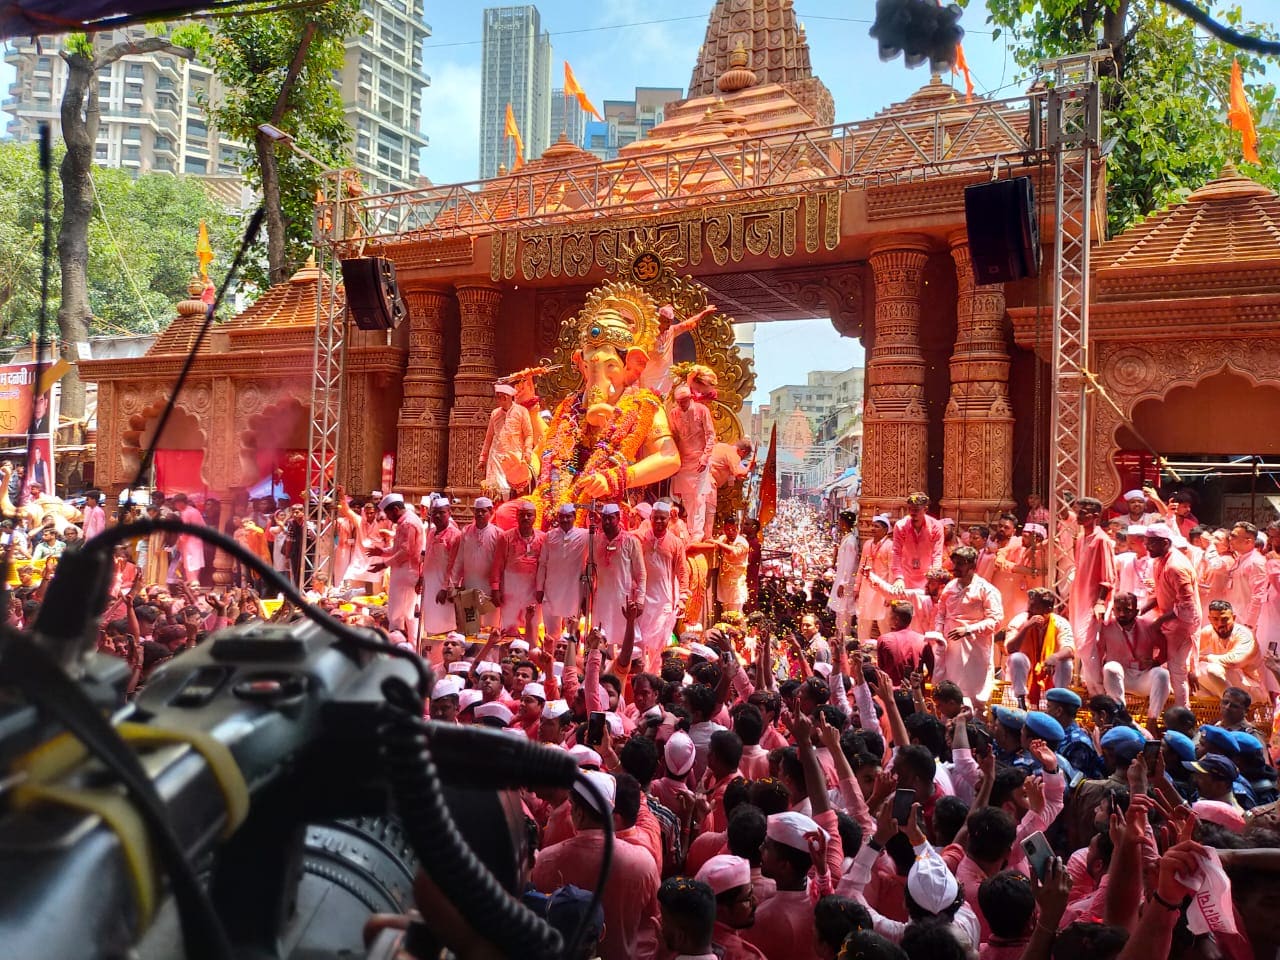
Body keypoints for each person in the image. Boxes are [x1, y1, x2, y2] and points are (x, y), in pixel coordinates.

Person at [532, 771, 659, 960]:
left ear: (579, 814)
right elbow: (653, 920)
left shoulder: (546, 860)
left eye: (572, 806)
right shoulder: (643, 862)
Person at [933, 546, 1002, 708]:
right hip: (951, 648)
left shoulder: (987, 590)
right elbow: (940, 614)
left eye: (960, 564)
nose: (955, 568)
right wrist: (938, 633)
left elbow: (996, 621)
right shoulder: (950, 588)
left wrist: (969, 629)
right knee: (952, 689)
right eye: (954, 563)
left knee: (976, 694)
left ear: (972, 566)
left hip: (975, 649)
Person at [1142, 522, 1201, 707]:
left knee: (1177, 671)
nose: (1146, 546)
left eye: (1151, 543)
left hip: (1183, 625)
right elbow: (1161, 593)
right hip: (1169, 622)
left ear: (1165, 543)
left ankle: (1183, 713)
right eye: (1146, 542)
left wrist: (1159, 621)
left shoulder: (1176, 566)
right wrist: (1142, 611)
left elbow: (1187, 605)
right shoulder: (1159, 560)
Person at [1099, 591, 1169, 726]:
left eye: (1127, 610)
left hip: (1143, 676)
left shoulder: (1149, 626)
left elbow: (1165, 649)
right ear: (1113, 609)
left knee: (1162, 674)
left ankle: (1152, 720)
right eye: (1118, 610)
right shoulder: (1106, 627)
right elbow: (1097, 653)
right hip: (1120, 677)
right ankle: (1120, 715)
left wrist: (1157, 661)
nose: (1122, 614)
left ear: (1136, 611)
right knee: (1110, 667)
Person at [1068, 497, 1115, 695]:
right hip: (1078, 598)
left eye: (1083, 512)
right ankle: (1094, 692)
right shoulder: (1080, 538)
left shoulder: (1102, 539)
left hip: (1092, 600)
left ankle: (1099, 694)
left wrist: (1100, 601)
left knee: (1086, 645)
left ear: (1095, 516)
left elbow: (1108, 575)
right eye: (1078, 512)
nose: (1078, 516)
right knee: (1081, 647)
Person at [1004, 586, 1074, 709]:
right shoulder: (1020, 620)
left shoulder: (1060, 623)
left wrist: (1054, 657)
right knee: (1016, 658)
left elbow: (1069, 649)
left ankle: (1058, 701)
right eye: (1029, 605)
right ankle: (1021, 701)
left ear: (1048, 609)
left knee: (1066, 662)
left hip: (1050, 670)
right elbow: (1009, 649)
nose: (1029, 609)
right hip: (1026, 672)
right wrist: (1026, 628)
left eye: (1034, 606)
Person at [637, 501, 689, 668]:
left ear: (668, 519)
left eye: (662, 519)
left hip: (664, 600)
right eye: (656, 518)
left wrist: (682, 597)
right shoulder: (641, 538)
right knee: (640, 639)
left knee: (657, 642)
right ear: (650, 518)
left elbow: (682, 571)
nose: (659, 522)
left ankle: (653, 674)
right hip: (642, 597)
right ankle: (640, 672)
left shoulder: (675, 543)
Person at [367, 493, 424, 642]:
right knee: (404, 615)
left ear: (396, 509)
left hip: (406, 572)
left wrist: (383, 564)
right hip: (403, 571)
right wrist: (383, 552)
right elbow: (400, 548)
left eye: (388, 513)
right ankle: (408, 646)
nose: (388, 517)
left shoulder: (408, 524)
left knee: (398, 615)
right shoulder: (405, 521)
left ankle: (401, 647)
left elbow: (406, 552)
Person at [590, 503, 645, 650]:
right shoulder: (596, 541)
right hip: (601, 598)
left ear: (618, 518)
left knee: (623, 638)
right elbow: (591, 569)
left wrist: (640, 600)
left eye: (611, 518)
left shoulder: (631, 540)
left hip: (623, 597)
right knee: (600, 636)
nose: (607, 522)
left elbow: (641, 573)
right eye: (604, 519)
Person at [668, 383, 717, 541]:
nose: (681, 404)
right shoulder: (674, 413)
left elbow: (711, 435)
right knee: (687, 498)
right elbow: (674, 437)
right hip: (683, 462)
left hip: (699, 461)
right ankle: (690, 531)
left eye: (684, 401)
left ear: (690, 398)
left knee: (699, 497)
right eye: (679, 401)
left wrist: (705, 457)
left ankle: (698, 533)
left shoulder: (702, 410)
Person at [491, 499, 545, 636]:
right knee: (509, 628)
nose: (525, 518)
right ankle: (508, 655)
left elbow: (546, 566)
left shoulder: (543, 538)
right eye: (522, 515)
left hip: (533, 591)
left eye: (529, 515)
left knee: (531, 627)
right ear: (517, 517)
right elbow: (497, 565)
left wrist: (543, 589)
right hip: (510, 591)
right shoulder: (506, 537)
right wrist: (495, 589)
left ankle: (531, 655)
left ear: (535, 517)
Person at [1194, 599, 1265, 701]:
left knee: (1213, 670)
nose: (1220, 624)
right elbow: (1190, 651)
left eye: (1224, 619)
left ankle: (1233, 709)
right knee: (1191, 669)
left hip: (1252, 688)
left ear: (1234, 618)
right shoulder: (1209, 630)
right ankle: (1212, 710)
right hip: (1230, 686)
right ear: (1210, 619)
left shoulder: (1245, 635)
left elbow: (1234, 662)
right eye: (1215, 619)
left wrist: (1203, 658)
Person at [537, 503, 590, 639]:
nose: (565, 520)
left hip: (574, 591)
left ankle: (572, 659)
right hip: (551, 591)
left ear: (574, 517)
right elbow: (542, 564)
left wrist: (587, 594)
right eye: (562, 517)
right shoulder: (549, 536)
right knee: (552, 634)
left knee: (572, 633)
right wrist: (539, 588)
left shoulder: (585, 535)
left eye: (568, 517)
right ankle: (550, 659)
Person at [449, 497, 502, 631]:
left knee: (490, 628)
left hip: (490, 590)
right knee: (471, 627)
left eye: (483, 511)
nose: (479, 514)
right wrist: (453, 584)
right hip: (469, 588)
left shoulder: (498, 534)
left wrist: (499, 589)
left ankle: (489, 652)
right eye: (477, 511)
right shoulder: (466, 532)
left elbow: (501, 565)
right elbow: (459, 559)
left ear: (491, 512)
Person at [478, 382, 533, 501]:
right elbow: (489, 437)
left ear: (507, 396)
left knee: (517, 489)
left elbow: (529, 434)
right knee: (496, 492)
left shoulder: (521, 411)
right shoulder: (495, 413)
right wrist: (483, 458)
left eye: (500, 396)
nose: (498, 399)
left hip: (515, 456)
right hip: (497, 457)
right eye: (497, 396)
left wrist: (527, 452)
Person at [421, 497, 462, 641]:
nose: (437, 516)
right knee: (430, 626)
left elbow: (455, 565)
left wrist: (446, 588)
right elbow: (427, 559)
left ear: (449, 513)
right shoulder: (431, 532)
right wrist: (421, 578)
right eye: (434, 513)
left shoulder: (455, 535)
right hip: (429, 585)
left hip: (443, 589)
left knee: (445, 626)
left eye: (441, 512)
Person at [892, 493, 945, 594]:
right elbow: (896, 552)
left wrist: (934, 578)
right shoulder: (901, 526)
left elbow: (937, 554)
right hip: (905, 575)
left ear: (925, 509)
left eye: (916, 510)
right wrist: (898, 577)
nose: (912, 513)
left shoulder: (936, 526)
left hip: (927, 576)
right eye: (910, 509)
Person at [704, 438, 752, 540]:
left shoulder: (721, 446)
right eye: (743, 457)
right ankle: (707, 538)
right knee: (709, 512)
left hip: (700, 480)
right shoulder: (733, 454)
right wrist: (749, 466)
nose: (741, 459)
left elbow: (738, 475)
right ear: (743, 451)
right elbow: (739, 473)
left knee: (699, 513)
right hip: (708, 483)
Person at [856, 515, 894, 643]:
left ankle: (888, 648)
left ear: (885, 530)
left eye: (876, 526)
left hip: (882, 589)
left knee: (884, 622)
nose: (872, 529)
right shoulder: (867, 544)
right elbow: (861, 565)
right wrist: (857, 587)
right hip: (866, 589)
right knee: (863, 620)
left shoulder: (890, 546)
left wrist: (890, 595)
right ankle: (862, 649)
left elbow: (892, 571)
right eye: (872, 525)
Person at [828, 509, 860, 638]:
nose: (839, 524)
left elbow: (850, 564)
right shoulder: (846, 539)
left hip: (845, 584)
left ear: (844, 523)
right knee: (840, 616)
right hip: (842, 581)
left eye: (840, 521)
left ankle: (844, 643)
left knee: (844, 615)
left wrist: (844, 582)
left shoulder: (850, 541)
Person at [715, 515, 750, 615]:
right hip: (724, 586)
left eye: (733, 529)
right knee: (725, 615)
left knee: (736, 616)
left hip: (736, 586)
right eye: (727, 529)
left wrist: (717, 542)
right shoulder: (722, 539)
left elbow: (733, 552)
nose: (730, 532)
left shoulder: (742, 542)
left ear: (738, 529)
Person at [171, 493, 206, 586]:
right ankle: (193, 581)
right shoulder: (194, 510)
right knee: (195, 561)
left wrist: (180, 540)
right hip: (198, 540)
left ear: (181, 503)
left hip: (190, 541)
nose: (176, 506)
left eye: (176, 504)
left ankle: (193, 582)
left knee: (190, 562)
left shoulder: (186, 512)